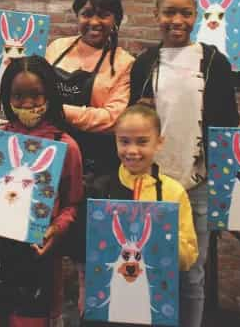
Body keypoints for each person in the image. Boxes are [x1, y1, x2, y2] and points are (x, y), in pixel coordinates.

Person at [129, 0, 240, 327]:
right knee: (150, 265)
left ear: (196, 16)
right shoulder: (144, 64)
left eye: (185, 12)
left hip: (197, 182)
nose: (177, 19)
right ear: (156, 15)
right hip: (152, 181)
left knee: (192, 273)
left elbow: (227, 121)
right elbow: (135, 123)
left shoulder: (215, 61)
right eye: (169, 12)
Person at [0, 55, 84, 327]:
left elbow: (73, 205)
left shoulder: (66, 146)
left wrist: (57, 228)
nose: (27, 104)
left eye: (36, 96)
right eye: (18, 96)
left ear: (49, 94)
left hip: (34, 262)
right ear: (7, 98)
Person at [79, 103, 199, 326]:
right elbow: (87, 249)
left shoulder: (173, 192)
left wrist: (166, 242)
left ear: (159, 142)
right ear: (115, 141)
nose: (132, 151)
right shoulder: (100, 190)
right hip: (109, 306)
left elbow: (189, 255)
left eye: (142, 141)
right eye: (124, 141)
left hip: (154, 303)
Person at [45, 0, 135, 176]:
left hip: (94, 164)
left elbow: (113, 120)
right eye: (86, 14)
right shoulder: (57, 47)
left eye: (103, 15)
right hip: (48, 151)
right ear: (77, 16)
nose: (94, 22)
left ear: (116, 20)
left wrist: (58, 110)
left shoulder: (124, 63)